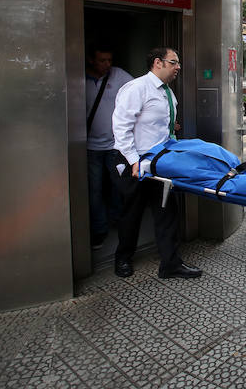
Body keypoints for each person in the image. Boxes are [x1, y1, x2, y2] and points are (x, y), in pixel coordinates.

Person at [112, 47, 202, 280]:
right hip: (135, 163)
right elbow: (121, 129)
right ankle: (122, 258)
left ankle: (170, 264)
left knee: (167, 212)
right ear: (157, 63)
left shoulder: (168, 93)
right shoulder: (136, 88)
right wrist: (133, 161)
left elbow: (160, 126)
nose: (178, 67)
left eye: (178, 63)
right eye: (174, 62)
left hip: (159, 163)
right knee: (131, 214)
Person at [85, 46, 133, 249]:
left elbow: (138, 91)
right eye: (102, 60)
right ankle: (99, 229)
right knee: (94, 191)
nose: (107, 65)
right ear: (90, 60)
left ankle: (117, 220)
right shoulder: (77, 77)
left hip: (115, 145)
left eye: (109, 60)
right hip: (89, 146)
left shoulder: (119, 75)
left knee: (118, 186)